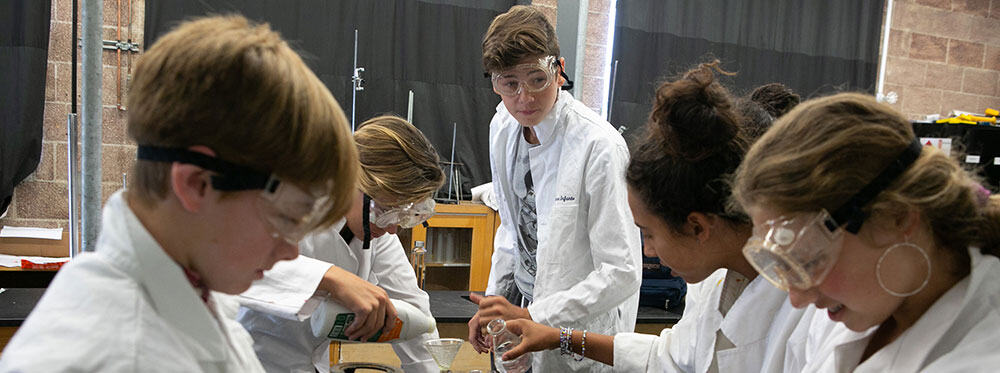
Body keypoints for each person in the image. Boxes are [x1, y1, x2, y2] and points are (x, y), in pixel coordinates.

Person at [0, 15, 357, 372]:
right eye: (285, 218)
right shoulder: (115, 356)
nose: (291, 252)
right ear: (196, 184)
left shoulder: (196, 292)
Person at [497, 62, 820, 372]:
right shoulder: (715, 282)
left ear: (697, 227)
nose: (647, 250)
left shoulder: (808, 312)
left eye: (649, 233)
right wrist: (559, 337)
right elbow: (671, 356)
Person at [732, 92, 1000, 371]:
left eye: (810, 260)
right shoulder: (871, 304)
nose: (797, 299)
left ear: (897, 216)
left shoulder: (981, 360)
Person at [468, 5, 642, 372]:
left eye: (537, 79)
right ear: (495, 84)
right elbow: (511, 231)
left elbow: (621, 272)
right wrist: (493, 306)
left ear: (559, 70)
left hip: (579, 337)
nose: (524, 98)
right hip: (521, 318)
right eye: (509, 84)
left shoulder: (598, 147)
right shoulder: (502, 129)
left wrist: (534, 314)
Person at [237, 115, 445, 372]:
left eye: (402, 217)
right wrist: (330, 278)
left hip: (310, 364)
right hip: (248, 360)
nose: (392, 228)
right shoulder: (286, 192)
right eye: (387, 212)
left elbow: (415, 315)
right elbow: (237, 263)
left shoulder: (378, 234)